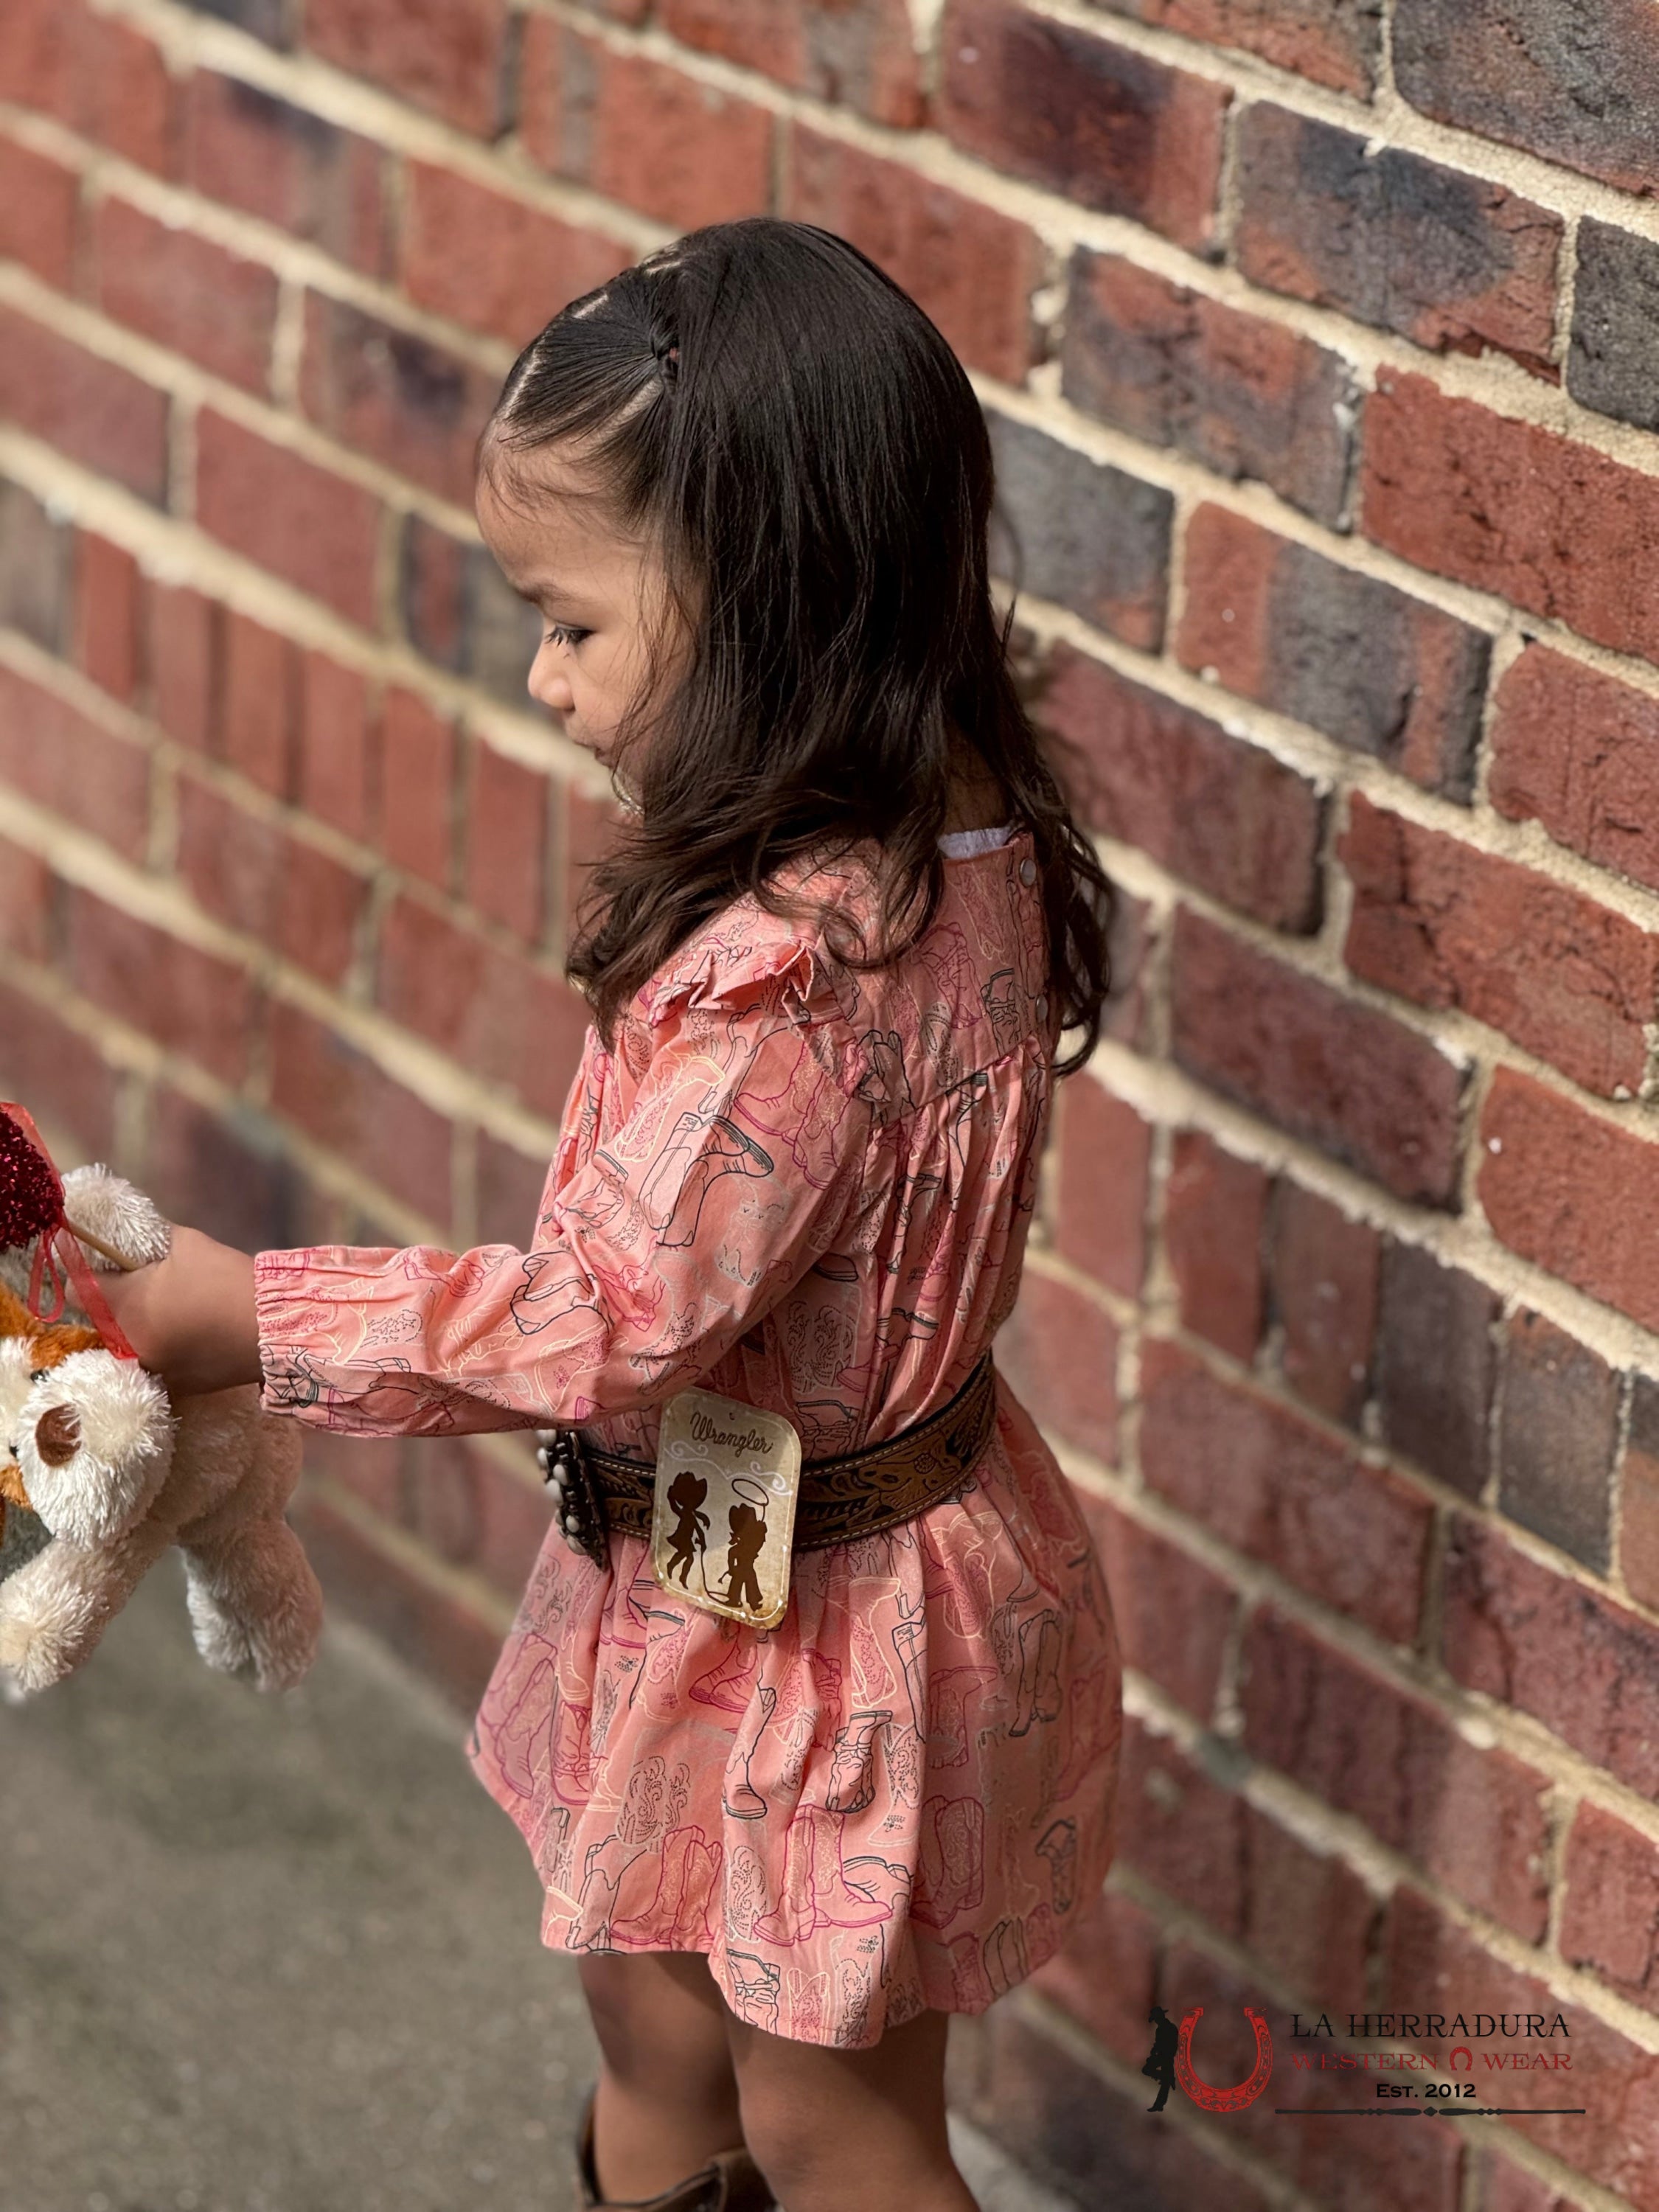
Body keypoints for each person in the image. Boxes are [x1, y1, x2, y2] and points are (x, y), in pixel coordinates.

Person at [97, 218, 1124, 2212]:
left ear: (769, 608)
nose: (544, 679)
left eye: (571, 622)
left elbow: (597, 1320)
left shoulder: (794, 986)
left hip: (832, 1631)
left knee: (828, 2119)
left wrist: (245, 1315)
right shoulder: (960, 820)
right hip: (744, 1574)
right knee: (653, 2024)